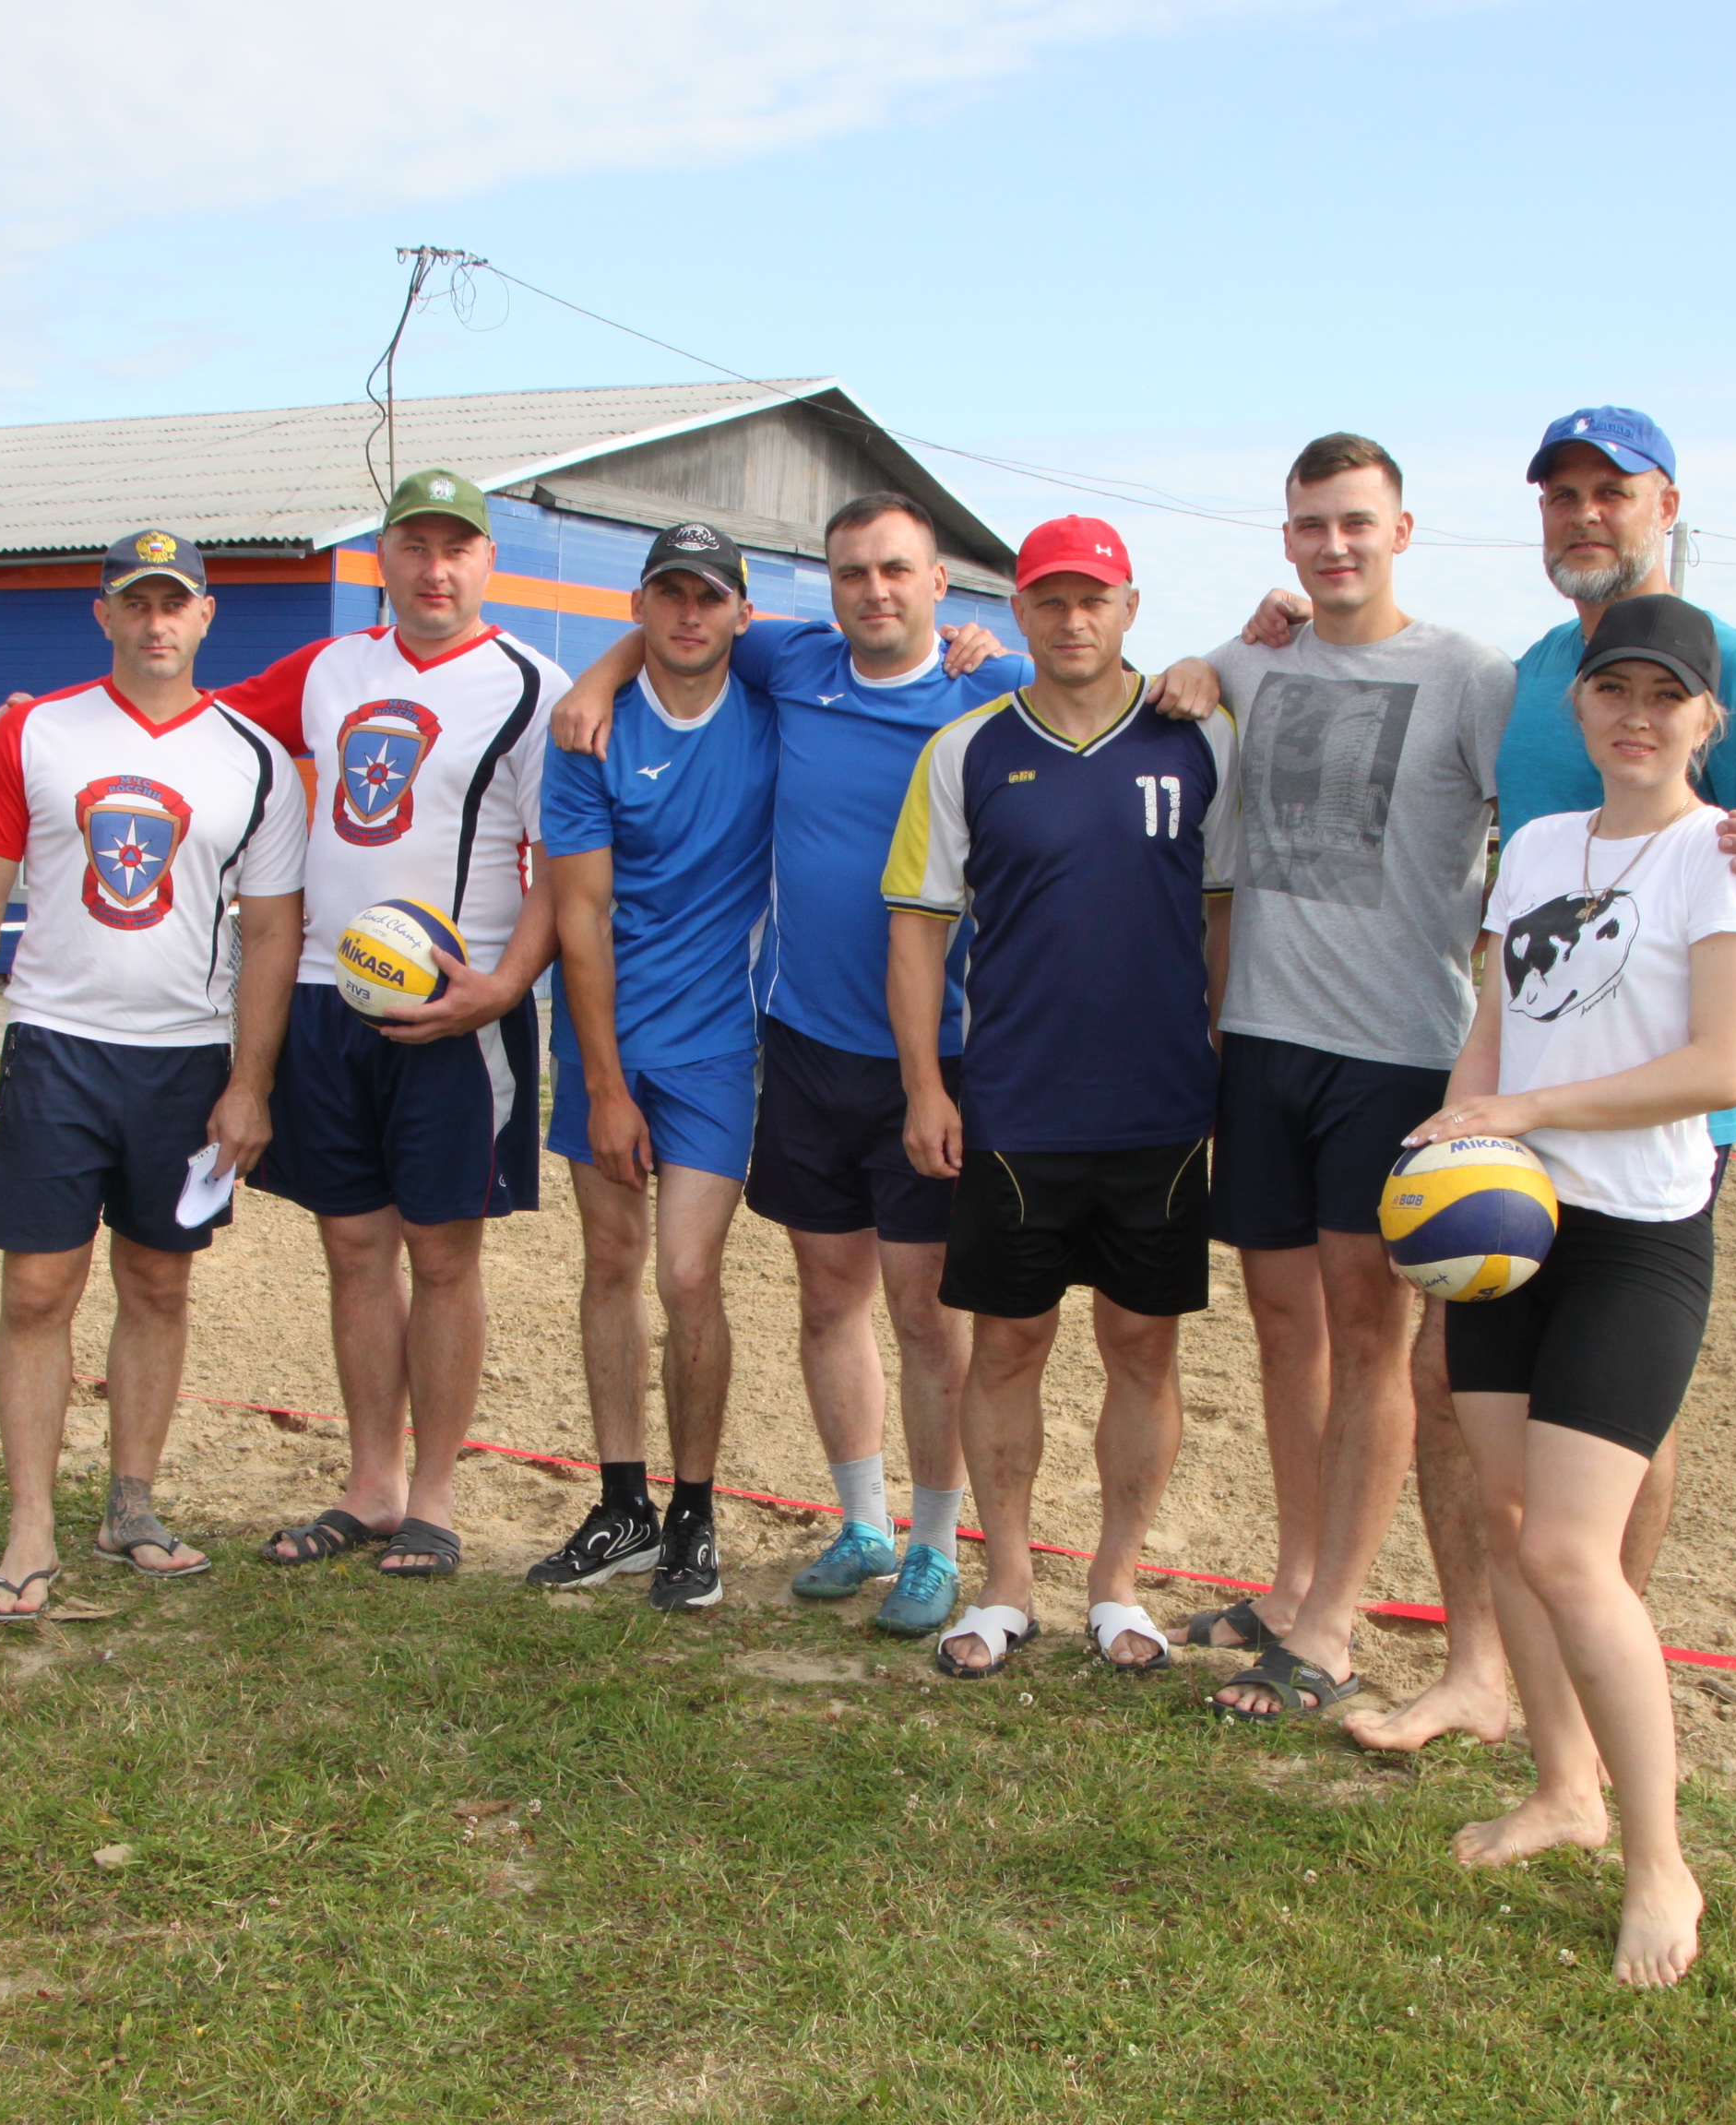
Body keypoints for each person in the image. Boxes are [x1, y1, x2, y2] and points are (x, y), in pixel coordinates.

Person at [1183, 407, 1736, 1752]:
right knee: (1450, 1387)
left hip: (1656, 1118)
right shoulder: (1537, 671)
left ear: (1667, 505)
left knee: (1615, 1425)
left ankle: (1601, 1671)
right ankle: (1487, 1666)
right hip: (1509, 1100)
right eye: (1563, 498)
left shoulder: (1728, 664)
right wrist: (1242, 638)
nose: (1586, 517)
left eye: (1614, 494)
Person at [550, 494, 1029, 1638]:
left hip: (941, 1053)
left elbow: (1113, 686)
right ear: (826, 588)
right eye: (855, 571)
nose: (877, 590)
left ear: (939, 586)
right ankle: (860, 1521)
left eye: (898, 571)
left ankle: (932, 1541)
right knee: (829, 1297)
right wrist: (596, 677)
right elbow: (673, 627)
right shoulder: (797, 661)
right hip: (805, 1042)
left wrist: (1216, 663)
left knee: (923, 1308)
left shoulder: (990, 688)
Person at [1403, 592, 1736, 1987]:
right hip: (1510, 1229)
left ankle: (1660, 1865)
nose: (1637, 714)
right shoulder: (1545, 845)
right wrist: (1448, 1156)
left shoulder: (1723, 859)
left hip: (1636, 1239)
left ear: (1709, 718)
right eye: (1614, 691)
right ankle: (1562, 1791)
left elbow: (1722, 1070)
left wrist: (1525, 1104)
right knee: (1507, 1523)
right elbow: (1489, 1027)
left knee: (1571, 1551)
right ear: (1580, 708)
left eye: (1666, 696)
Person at [1128, 435, 1519, 1723]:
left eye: (1357, 522)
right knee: (1282, 1328)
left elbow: (1536, 843)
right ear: (1286, 541)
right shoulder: (1252, 661)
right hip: (1263, 1045)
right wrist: (1191, 662)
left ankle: (1338, 1628)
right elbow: (1177, 686)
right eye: (1310, 526)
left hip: (1397, 1052)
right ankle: (1294, 1586)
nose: (1334, 546)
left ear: (1403, 530)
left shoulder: (1474, 678)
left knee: (1368, 1336)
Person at [881, 516, 1235, 1680]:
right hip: (1015, 1113)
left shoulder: (1201, 739)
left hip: (1161, 1112)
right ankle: (1008, 1586)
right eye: (1049, 600)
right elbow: (919, 932)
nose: (1073, 619)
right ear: (1018, 610)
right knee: (1009, 1345)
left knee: (1142, 1346)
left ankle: (1119, 1584)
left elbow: (1224, 911)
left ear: (1130, 604)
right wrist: (928, 1084)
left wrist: (1223, 1055)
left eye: (1094, 598)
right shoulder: (968, 751)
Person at [0, 529, 304, 1622]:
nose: (154, 624)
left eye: (173, 604)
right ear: (104, 615)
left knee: (158, 1282)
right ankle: (30, 1526)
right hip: (56, 1047)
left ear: (204, 617)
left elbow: (274, 932)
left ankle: (130, 1504)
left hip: (185, 1060)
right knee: (39, 1287)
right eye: (134, 604)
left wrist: (251, 1079)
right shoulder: (38, 733)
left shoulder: (253, 758)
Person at [223, 469, 565, 1581]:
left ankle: (435, 1497)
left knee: (445, 1254)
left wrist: (507, 982)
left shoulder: (532, 687)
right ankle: (368, 1487)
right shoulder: (330, 668)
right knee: (352, 1248)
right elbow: (197, 723)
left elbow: (570, 859)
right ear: (383, 556)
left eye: (455, 548)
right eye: (414, 546)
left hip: (456, 1009)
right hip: (328, 999)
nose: (434, 569)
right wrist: (35, 714)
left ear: (485, 561)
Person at [526, 522, 779, 1610]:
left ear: (740, 615)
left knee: (688, 1276)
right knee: (610, 1265)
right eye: (669, 595)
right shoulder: (587, 732)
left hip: (719, 1041)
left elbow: (895, 649)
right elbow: (577, 921)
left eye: (709, 597)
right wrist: (605, 1085)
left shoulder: (776, 704)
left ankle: (694, 1514)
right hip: (603, 1041)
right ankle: (623, 1505)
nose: (689, 615)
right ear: (638, 605)